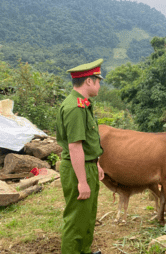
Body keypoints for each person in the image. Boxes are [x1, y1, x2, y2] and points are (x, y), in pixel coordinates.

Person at [56, 59, 105, 254]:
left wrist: (96, 163)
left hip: (87, 165)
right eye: (98, 80)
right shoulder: (75, 108)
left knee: (87, 216)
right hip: (78, 169)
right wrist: (82, 181)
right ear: (89, 82)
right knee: (76, 220)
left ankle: (84, 251)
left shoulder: (84, 104)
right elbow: (75, 146)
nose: (100, 85)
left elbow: (87, 142)